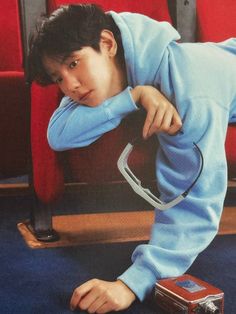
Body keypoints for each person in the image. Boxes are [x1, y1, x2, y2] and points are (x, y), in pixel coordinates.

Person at [29, 3, 236, 313]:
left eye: (74, 63)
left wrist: (132, 283)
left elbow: (194, 202)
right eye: (58, 77)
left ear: (108, 43)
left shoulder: (189, 92)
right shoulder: (120, 64)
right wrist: (133, 97)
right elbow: (58, 134)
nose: (69, 86)